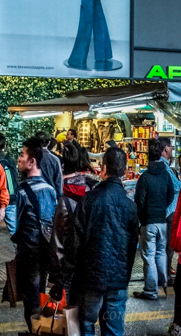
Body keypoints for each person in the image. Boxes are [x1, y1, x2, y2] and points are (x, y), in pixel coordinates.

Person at [57, 147, 139, 336]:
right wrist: (125, 278)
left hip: (90, 279)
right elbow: (131, 248)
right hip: (118, 281)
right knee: (113, 329)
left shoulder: (88, 201)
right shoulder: (130, 207)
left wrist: (62, 279)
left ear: (102, 169)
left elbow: (74, 245)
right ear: (125, 170)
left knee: (85, 325)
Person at [12, 136, 58, 327]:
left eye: (22, 155)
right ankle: (44, 329)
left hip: (28, 251)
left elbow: (15, 226)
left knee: (31, 301)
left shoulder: (22, 191)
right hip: (46, 251)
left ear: (32, 162)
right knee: (40, 294)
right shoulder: (50, 189)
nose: (19, 159)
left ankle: (35, 330)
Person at [134, 138, 177, 300]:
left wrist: (142, 217)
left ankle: (151, 290)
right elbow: (171, 195)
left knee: (149, 256)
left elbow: (140, 201)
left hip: (149, 223)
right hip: (162, 221)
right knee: (160, 254)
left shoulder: (144, 178)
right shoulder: (166, 174)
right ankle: (163, 286)